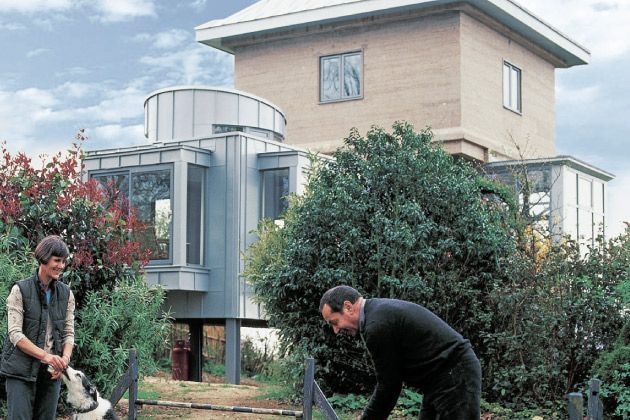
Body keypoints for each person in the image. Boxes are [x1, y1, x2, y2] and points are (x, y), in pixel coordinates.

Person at [320, 285, 481, 420]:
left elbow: (389, 386)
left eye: (334, 322)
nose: (335, 330)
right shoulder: (377, 313)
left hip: (456, 375)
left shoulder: (376, 326)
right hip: (440, 380)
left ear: (348, 307)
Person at [1, 235, 75, 420]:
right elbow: (15, 335)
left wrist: (63, 361)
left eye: (63, 261)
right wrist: (47, 357)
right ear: (43, 258)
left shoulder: (67, 294)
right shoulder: (20, 290)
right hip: (20, 371)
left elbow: (68, 333)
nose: (61, 266)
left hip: (51, 373)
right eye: (57, 260)